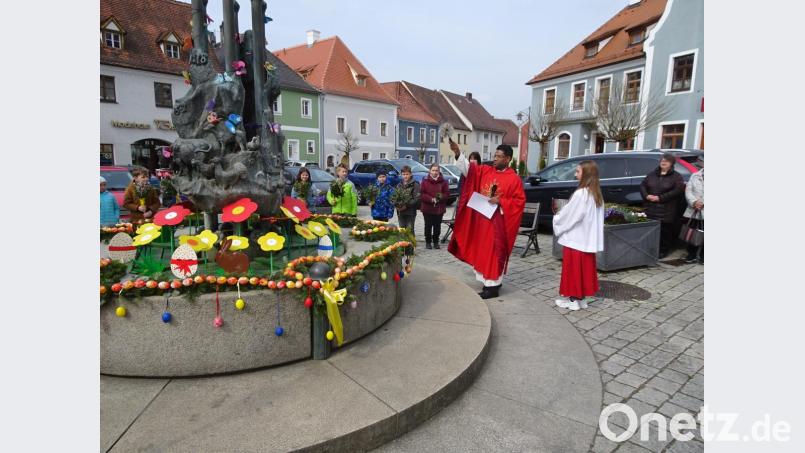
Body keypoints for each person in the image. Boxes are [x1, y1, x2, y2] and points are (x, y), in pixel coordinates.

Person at [448, 142, 525, 299]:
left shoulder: (514, 179)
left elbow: (519, 202)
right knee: (483, 252)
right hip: (482, 221)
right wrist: (457, 153)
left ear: (508, 158)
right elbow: (469, 171)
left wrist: (501, 201)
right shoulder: (486, 171)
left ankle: (493, 287)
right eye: (494, 155)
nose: (495, 159)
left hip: (498, 224)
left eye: (499, 156)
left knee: (493, 253)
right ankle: (489, 282)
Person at [553, 161, 605, 311]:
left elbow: (571, 216)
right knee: (583, 271)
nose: (575, 175)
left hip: (576, 239)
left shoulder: (581, 193)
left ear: (586, 174)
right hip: (586, 239)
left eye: (578, 172)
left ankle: (573, 300)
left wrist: (557, 218)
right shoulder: (596, 194)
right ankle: (581, 299)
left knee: (574, 270)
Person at [640, 153, 685, 258]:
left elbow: (678, 190)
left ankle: (663, 251)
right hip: (650, 208)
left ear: (671, 164)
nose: (663, 162)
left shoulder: (677, 176)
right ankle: (650, 249)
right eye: (662, 160)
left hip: (666, 210)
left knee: (664, 232)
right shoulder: (652, 174)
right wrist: (646, 196)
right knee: (651, 231)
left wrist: (660, 198)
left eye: (666, 161)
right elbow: (642, 185)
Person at [420, 163, 450, 249]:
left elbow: (447, 194)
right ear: (430, 171)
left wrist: (441, 197)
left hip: (439, 208)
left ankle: (436, 241)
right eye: (433, 170)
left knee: (437, 226)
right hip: (427, 208)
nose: (435, 172)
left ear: (439, 171)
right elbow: (422, 194)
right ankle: (428, 242)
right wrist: (431, 199)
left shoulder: (444, 181)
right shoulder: (425, 180)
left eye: (436, 170)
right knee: (428, 226)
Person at [683, 156, 704, 264]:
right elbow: (688, 190)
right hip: (695, 209)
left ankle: (703, 256)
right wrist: (694, 202)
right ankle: (691, 254)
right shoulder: (695, 175)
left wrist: (703, 202)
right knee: (692, 232)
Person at [395, 166, 421, 233]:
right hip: (400, 211)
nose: (405, 176)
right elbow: (395, 197)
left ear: (410, 174)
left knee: (410, 230)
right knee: (402, 230)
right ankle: (403, 242)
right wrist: (396, 205)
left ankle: (411, 243)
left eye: (407, 174)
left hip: (410, 212)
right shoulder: (399, 185)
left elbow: (416, 199)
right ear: (401, 175)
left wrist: (406, 205)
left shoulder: (415, 184)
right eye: (403, 174)